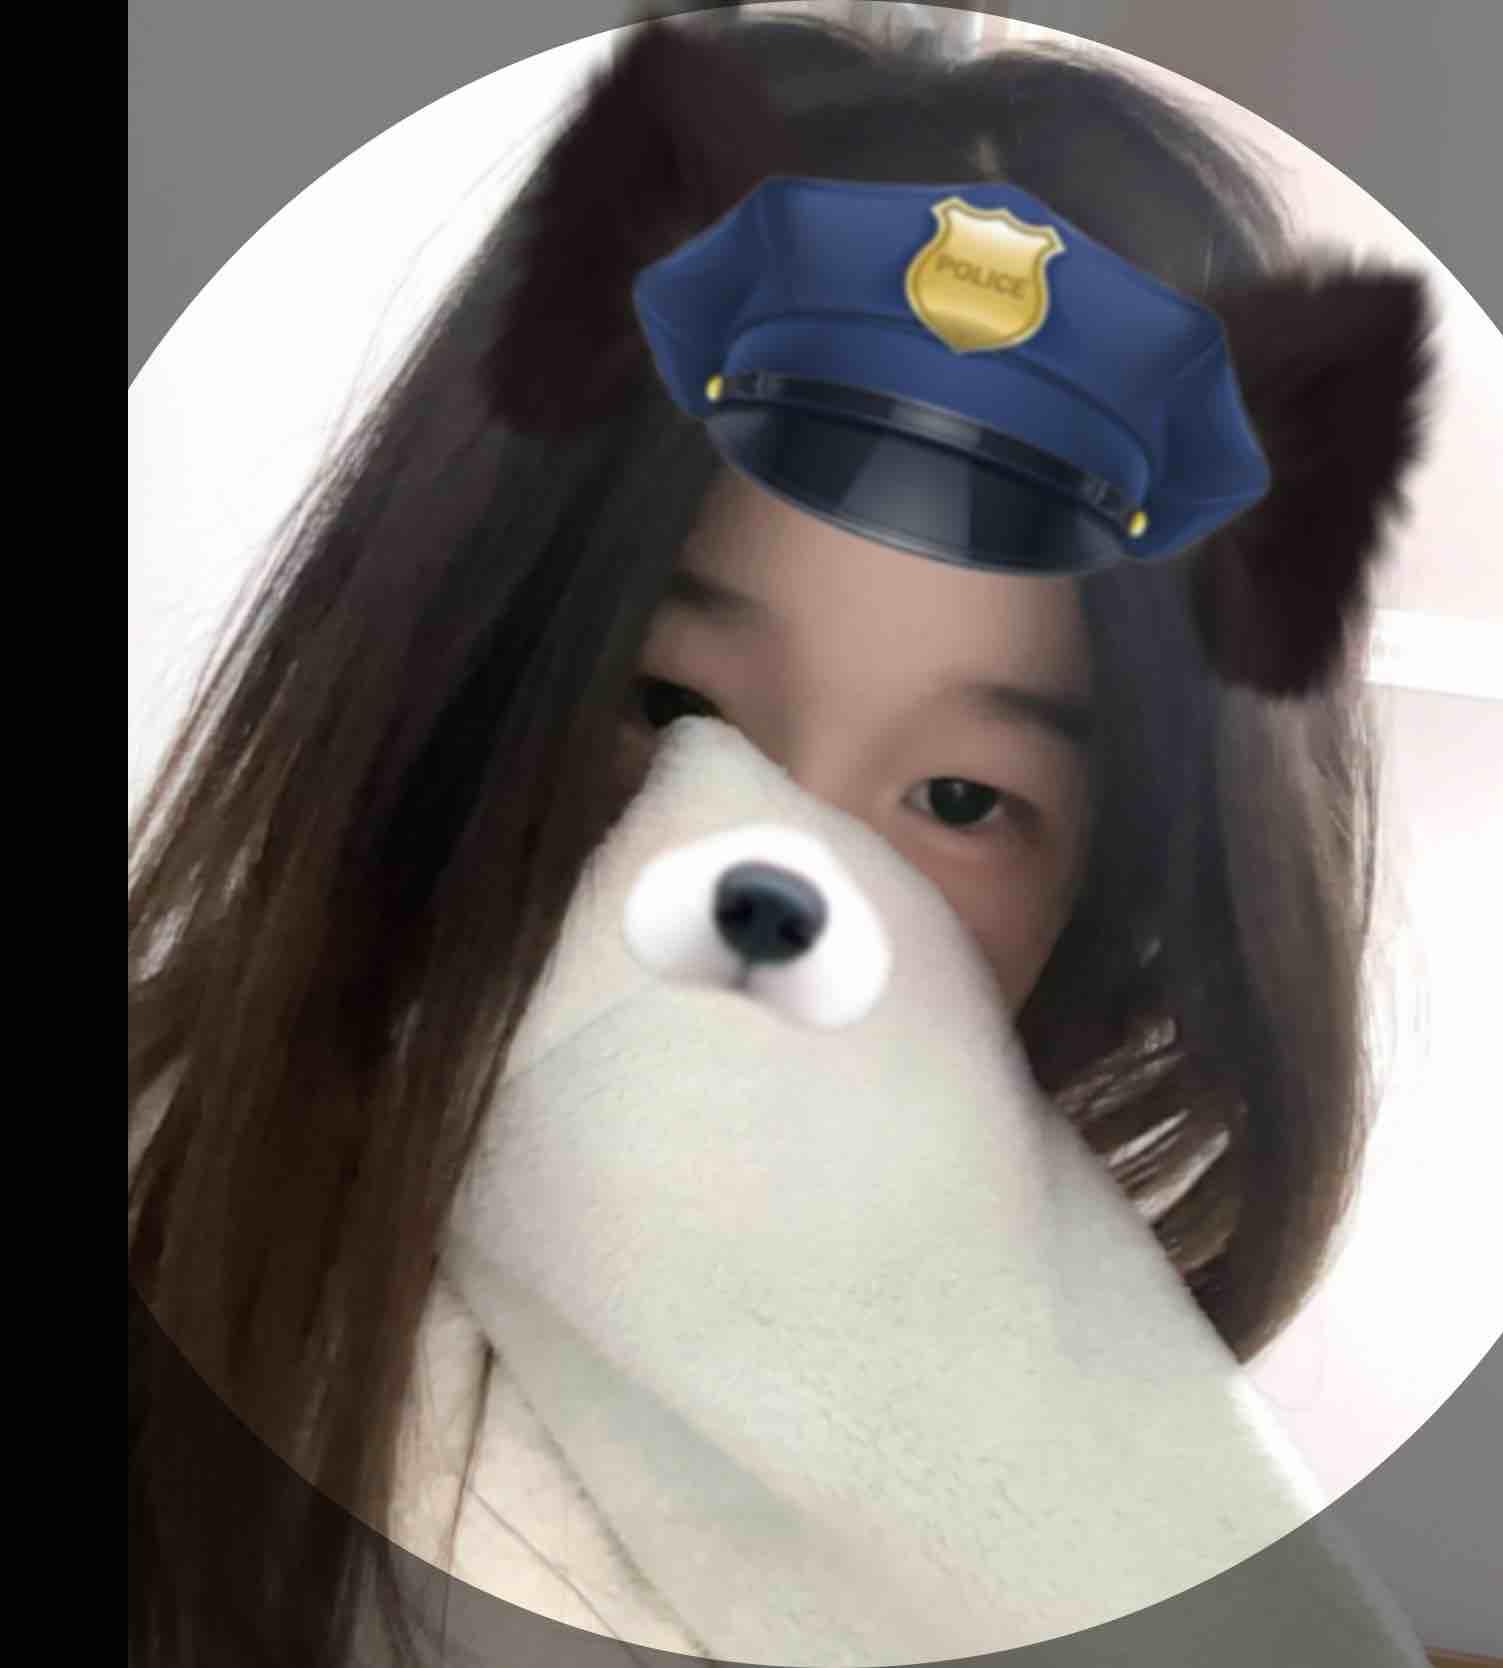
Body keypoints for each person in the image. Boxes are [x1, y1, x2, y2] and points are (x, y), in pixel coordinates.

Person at [127, 7, 1432, 1665]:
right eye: (674, 710)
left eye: (960, 801)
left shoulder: (1071, 1425)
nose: (774, 869)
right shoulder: (191, 1198)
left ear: (1122, 894)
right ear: (459, 670)